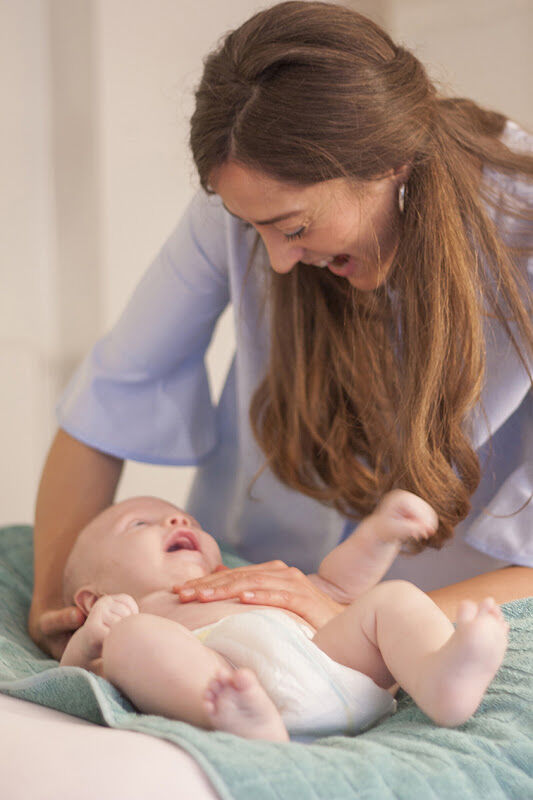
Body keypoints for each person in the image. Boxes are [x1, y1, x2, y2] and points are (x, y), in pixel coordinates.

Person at [30, 1, 532, 662]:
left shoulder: (518, 234)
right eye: (253, 229)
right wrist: (50, 603)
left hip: (457, 617)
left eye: (294, 229)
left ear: (389, 165)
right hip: (253, 583)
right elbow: (112, 395)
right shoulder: (250, 196)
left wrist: (356, 627)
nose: (274, 260)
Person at [59, 493, 508, 740]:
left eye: (187, 520)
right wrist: (90, 640)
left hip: (333, 663)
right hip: (239, 686)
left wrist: (378, 534)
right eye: (140, 524)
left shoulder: (249, 578)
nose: (178, 523)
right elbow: (79, 683)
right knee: (132, 640)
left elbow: (336, 587)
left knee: (393, 599)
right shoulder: (137, 613)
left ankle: (441, 677)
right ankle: (238, 723)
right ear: (91, 597)